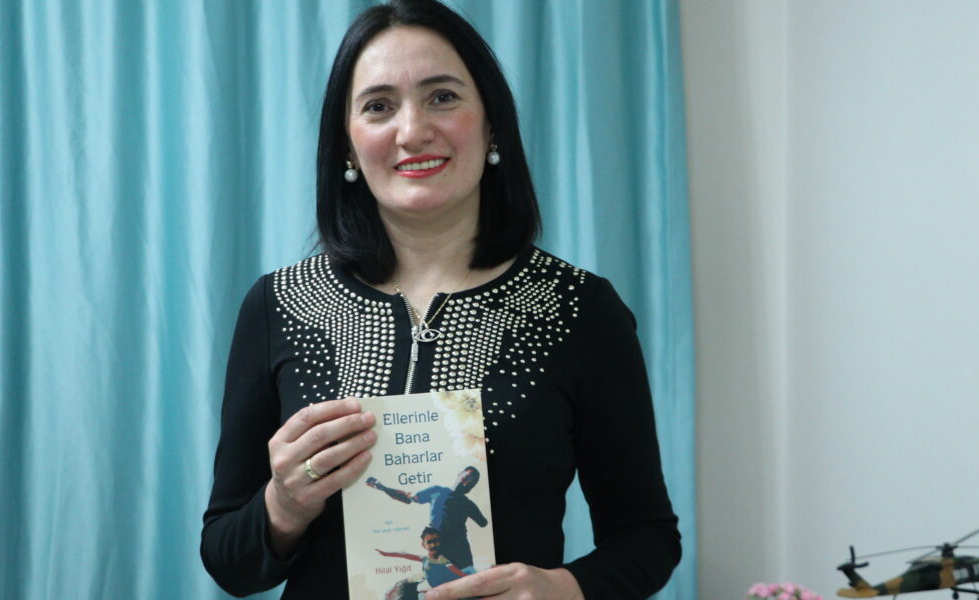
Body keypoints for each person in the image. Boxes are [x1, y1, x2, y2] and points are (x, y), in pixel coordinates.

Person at [200, 0, 681, 598]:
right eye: (379, 106)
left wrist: (563, 588)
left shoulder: (579, 309)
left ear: (492, 124)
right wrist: (284, 504)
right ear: (347, 144)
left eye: (443, 97)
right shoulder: (279, 305)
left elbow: (647, 535)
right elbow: (227, 560)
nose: (412, 131)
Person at [367, 467, 488, 569]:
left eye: (471, 483)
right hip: (438, 550)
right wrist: (382, 487)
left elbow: (483, 523)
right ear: (459, 474)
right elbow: (408, 498)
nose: (465, 484)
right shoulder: (436, 491)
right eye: (465, 478)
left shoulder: (468, 504)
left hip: (461, 553)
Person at [376, 527, 474, 588]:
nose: (433, 545)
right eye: (429, 542)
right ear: (423, 545)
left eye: (436, 541)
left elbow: (459, 573)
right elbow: (404, 555)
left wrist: (471, 579)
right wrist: (387, 554)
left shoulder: (443, 560)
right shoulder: (424, 559)